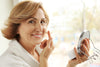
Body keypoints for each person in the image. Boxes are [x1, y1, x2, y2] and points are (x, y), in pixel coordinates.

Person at [0, 0, 90, 67]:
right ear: (16, 28)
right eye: (31, 21)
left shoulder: (39, 51)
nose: (39, 28)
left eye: (42, 21)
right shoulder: (9, 62)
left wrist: (71, 65)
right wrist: (44, 60)